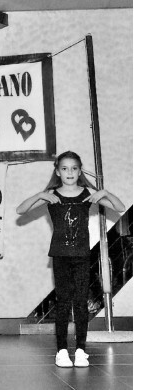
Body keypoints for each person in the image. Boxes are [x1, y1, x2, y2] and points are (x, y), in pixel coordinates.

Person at [16, 150, 125, 368]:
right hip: (60, 256)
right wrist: (40, 195)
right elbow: (20, 209)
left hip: (82, 255)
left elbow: (120, 207)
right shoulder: (52, 195)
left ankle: (82, 350)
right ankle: (62, 350)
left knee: (81, 303)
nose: (70, 172)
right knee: (63, 302)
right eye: (64, 168)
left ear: (79, 171)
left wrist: (102, 192)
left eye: (74, 168)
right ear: (57, 171)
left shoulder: (86, 194)